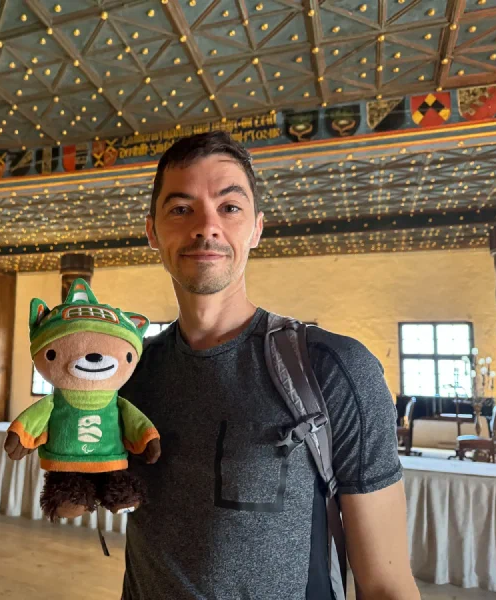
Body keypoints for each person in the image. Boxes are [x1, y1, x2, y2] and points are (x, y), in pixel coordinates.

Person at [118, 131, 420, 600]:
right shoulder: (132, 374)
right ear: (153, 232)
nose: (206, 226)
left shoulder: (332, 370)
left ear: (256, 228)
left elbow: (386, 584)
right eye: (181, 209)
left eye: (229, 207)